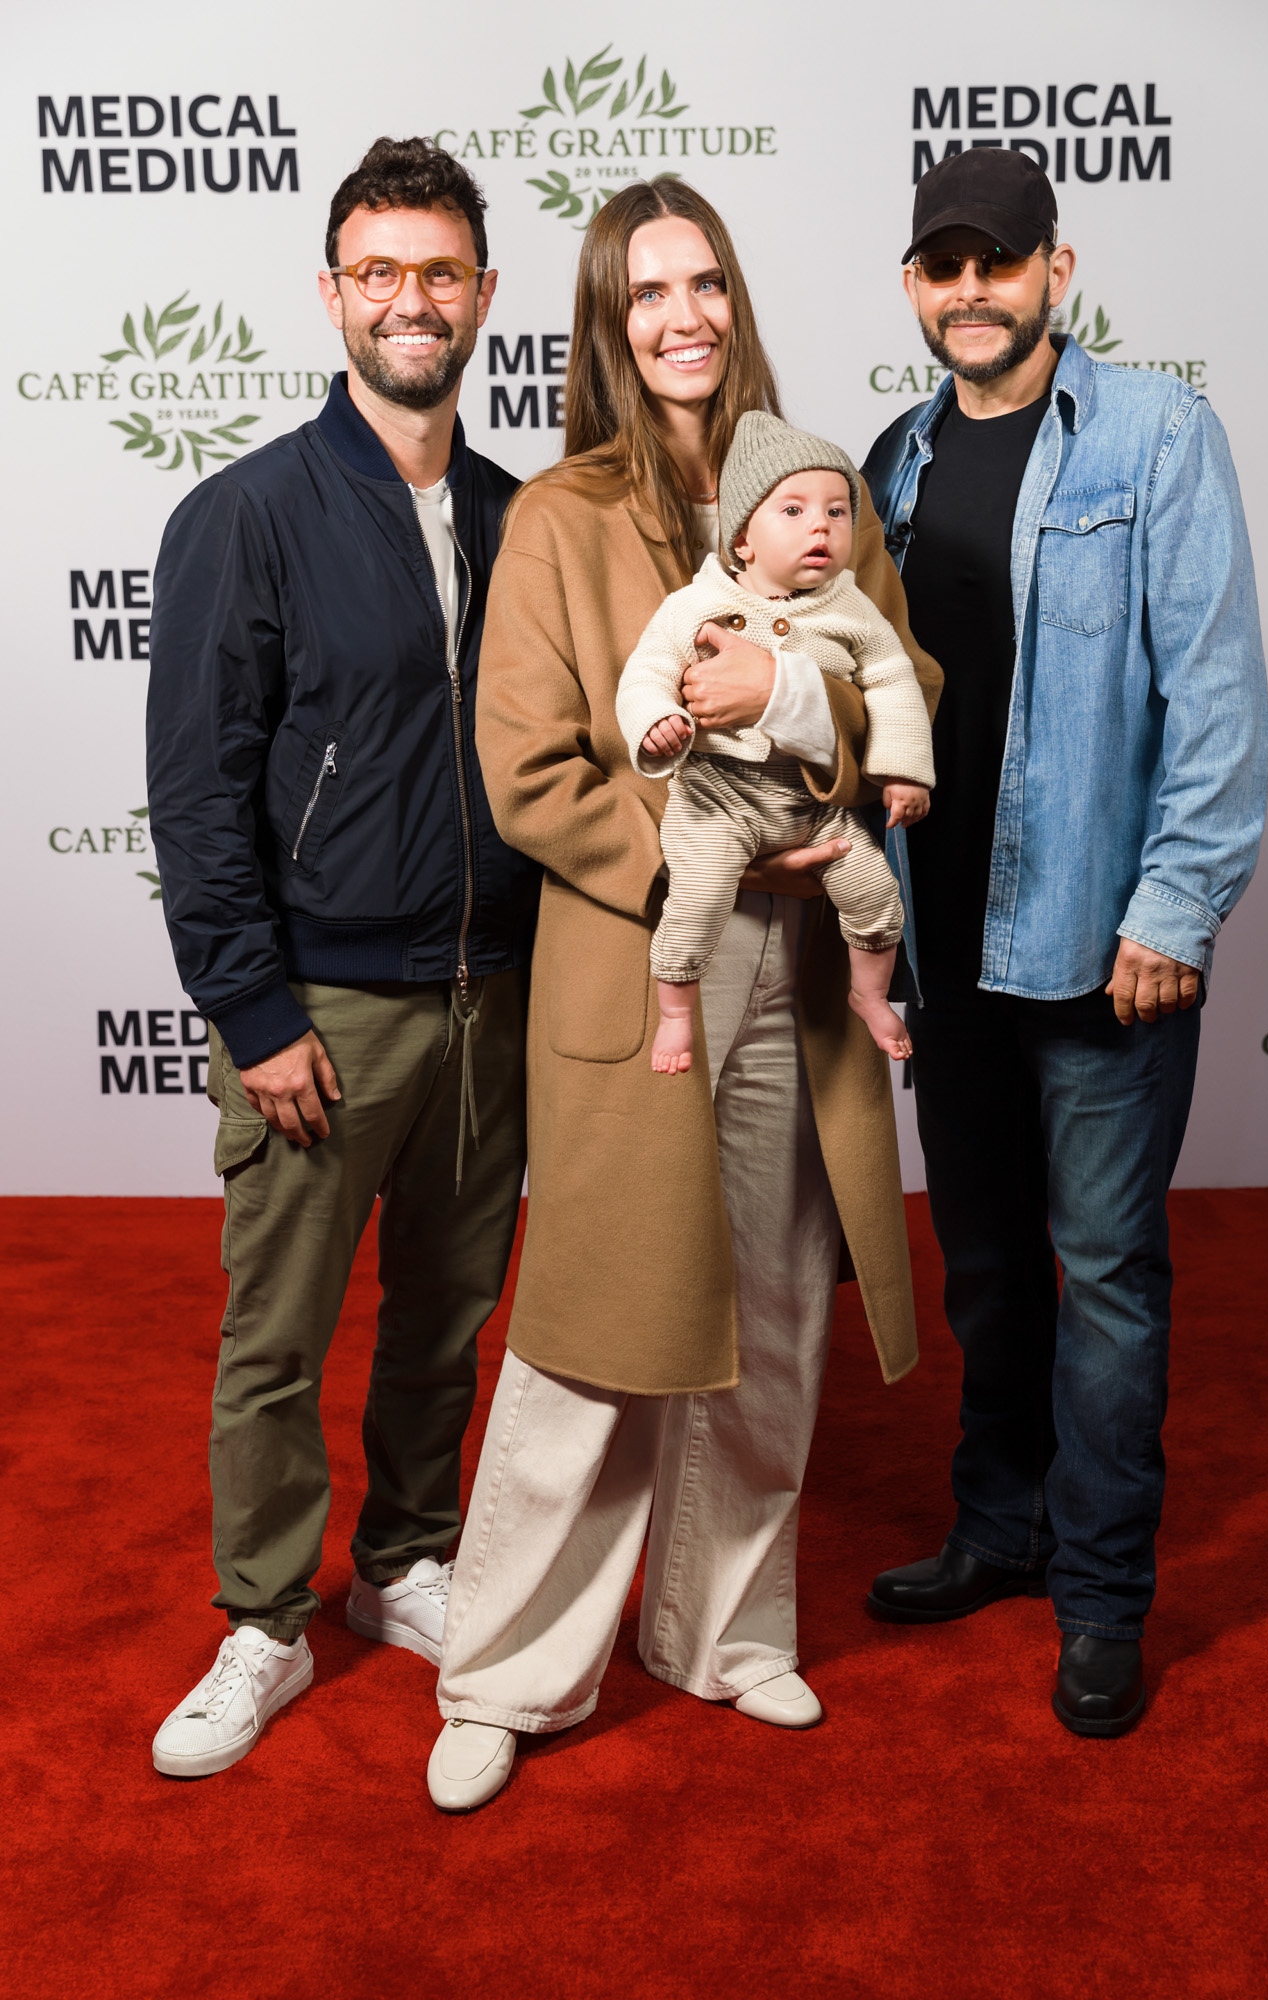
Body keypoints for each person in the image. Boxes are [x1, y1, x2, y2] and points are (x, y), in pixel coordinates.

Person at [425, 176, 943, 1813]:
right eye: (647, 291)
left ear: (735, 298)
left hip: (804, 974)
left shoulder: (815, 485)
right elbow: (529, 771)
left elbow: (904, 688)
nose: (682, 316)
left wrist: (789, 692)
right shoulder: (559, 515)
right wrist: (710, 858)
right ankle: (503, 1672)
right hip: (645, 953)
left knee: (776, 1313)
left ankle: (722, 1631)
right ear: (607, 320)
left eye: (704, 281)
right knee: (592, 1338)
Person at [860, 149, 1268, 1735]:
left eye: (1000, 262)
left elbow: (1216, 690)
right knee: (983, 1268)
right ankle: (1001, 1526)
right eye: (943, 266)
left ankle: (1100, 1596)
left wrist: (1175, 907)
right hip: (946, 945)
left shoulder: (1157, 433)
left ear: (1057, 270)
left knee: (1104, 1279)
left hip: (1102, 948)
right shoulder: (890, 461)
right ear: (914, 285)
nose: (971, 291)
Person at [145, 137, 538, 1779]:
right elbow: (197, 790)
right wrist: (252, 1008)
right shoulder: (244, 515)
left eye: (437, 271)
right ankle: (262, 1619)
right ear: (332, 295)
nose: (408, 299)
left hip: (490, 999)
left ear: (483, 296)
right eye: (378, 271)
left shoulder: (523, 515)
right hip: (321, 1008)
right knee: (280, 1337)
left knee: (448, 1314)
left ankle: (404, 1561)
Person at [615, 410, 935, 1074]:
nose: (821, 526)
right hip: (718, 798)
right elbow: (646, 671)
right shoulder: (694, 605)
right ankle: (675, 1012)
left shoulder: (852, 609)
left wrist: (903, 770)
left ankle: (870, 994)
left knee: (876, 892)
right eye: (793, 510)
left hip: (813, 808)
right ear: (743, 540)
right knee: (700, 894)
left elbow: (894, 678)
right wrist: (656, 720)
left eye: (837, 512)